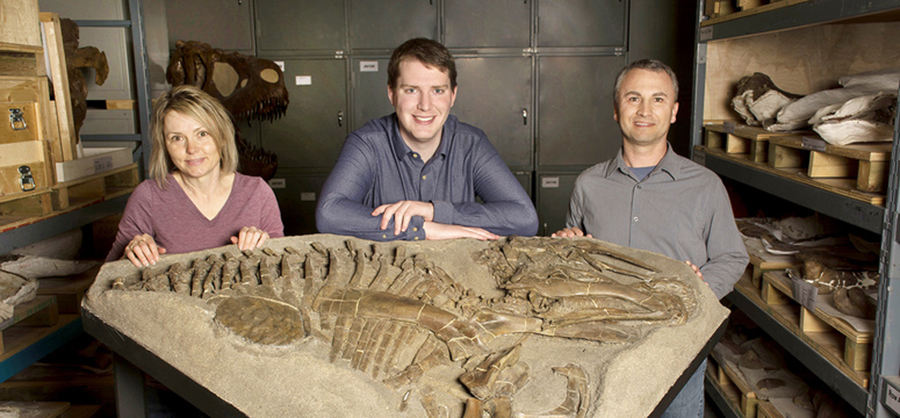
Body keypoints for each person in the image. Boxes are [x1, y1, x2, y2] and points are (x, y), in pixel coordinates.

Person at [552, 59, 749, 417]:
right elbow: (576, 254)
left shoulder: (705, 186)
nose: (645, 110)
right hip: (602, 343)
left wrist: (699, 288)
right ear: (616, 110)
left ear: (673, 112)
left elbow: (732, 256)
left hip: (677, 347)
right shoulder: (589, 184)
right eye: (633, 98)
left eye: (658, 99)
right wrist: (569, 242)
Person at [316, 37, 538, 241]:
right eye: (411, 90)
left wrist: (432, 211)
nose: (425, 105)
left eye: (437, 91)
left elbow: (525, 218)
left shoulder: (472, 144)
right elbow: (329, 214)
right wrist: (421, 229)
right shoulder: (366, 143)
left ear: (453, 95)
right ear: (392, 94)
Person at [106, 85, 284, 268]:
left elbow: (282, 270)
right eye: (177, 138)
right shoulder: (148, 196)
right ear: (165, 146)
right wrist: (131, 253)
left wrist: (266, 246)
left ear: (223, 137)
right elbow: (109, 276)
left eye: (202, 134)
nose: (191, 149)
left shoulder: (257, 193)